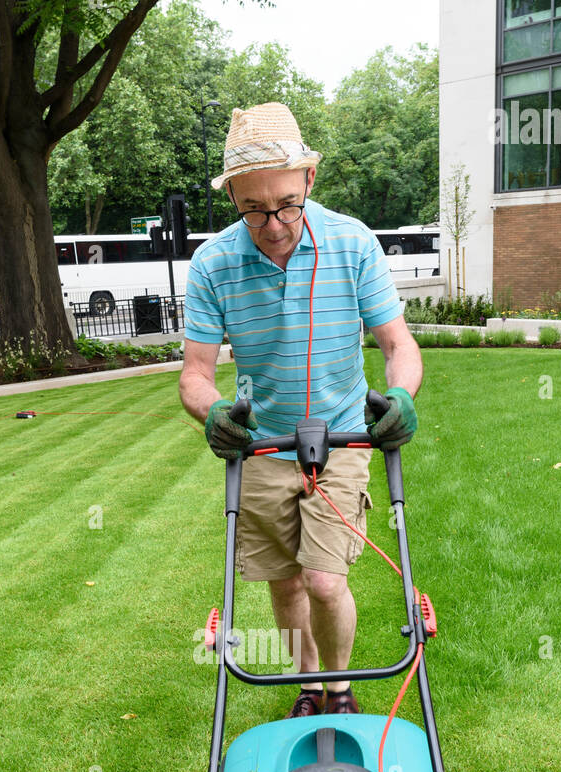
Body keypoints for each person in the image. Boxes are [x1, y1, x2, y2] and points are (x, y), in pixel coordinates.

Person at [180, 102, 422, 717]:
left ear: (309, 180)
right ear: (233, 196)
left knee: (323, 579)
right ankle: (308, 685)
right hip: (261, 443)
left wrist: (399, 397)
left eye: (287, 203)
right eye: (253, 209)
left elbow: (398, 345)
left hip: (340, 437)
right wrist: (214, 413)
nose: (275, 223)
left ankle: (339, 692)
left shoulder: (353, 242)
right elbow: (197, 375)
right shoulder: (213, 264)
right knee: (285, 584)